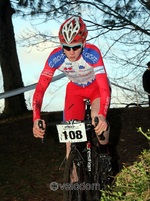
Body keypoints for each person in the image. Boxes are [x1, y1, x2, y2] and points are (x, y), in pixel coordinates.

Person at [32, 16, 111, 159]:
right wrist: (36, 118)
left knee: (96, 118)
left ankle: (104, 151)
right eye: (66, 48)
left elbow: (104, 87)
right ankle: (72, 180)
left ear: (84, 43)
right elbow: (40, 89)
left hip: (96, 88)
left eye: (75, 47)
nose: (71, 52)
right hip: (75, 90)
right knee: (69, 139)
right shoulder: (55, 57)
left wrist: (102, 115)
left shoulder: (92, 53)